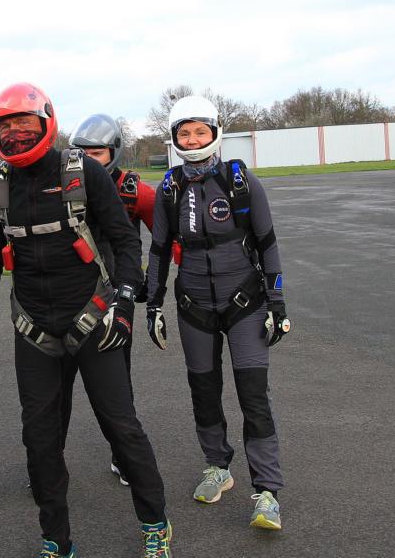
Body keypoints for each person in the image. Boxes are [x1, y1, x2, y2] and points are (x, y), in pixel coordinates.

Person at [0, 83, 173, 558]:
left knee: (121, 427)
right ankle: (56, 539)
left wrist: (124, 302)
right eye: (5, 126)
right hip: (33, 328)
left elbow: (124, 240)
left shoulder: (84, 172)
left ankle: (155, 523)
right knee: (39, 439)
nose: (15, 133)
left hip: (94, 319)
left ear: (46, 122)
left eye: (23, 123)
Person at [143, 95, 290, 531]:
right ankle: (217, 467)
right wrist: (154, 304)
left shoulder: (241, 180)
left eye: (200, 131)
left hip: (246, 304)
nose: (192, 140)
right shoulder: (170, 188)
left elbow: (268, 244)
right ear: (175, 138)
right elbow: (157, 251)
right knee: (204, 392)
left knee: (253, 395)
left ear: (214, 133)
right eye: (184, 133)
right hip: (194, 307)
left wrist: (277, 302)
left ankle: (267, 492)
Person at [68, 113, 157, 487]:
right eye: (82, 153)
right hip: (70, 294)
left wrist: (150, 286)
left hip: (115, 296)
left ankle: (124, 453)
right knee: (54, 385)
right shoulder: (64, 185)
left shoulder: (136, 191)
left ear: (114, 152)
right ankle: (45, 459)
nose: (88, 160)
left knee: (117, 380)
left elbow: (167, 240)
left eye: (97, 153)